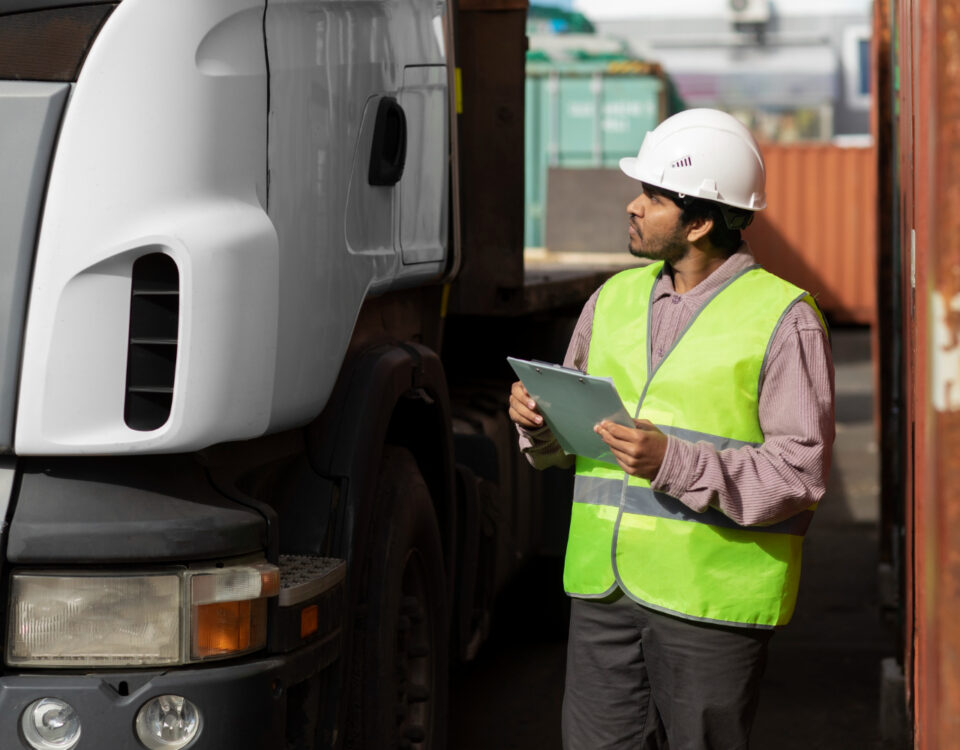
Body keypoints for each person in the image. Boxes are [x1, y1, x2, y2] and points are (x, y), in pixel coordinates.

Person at [508, 108, 835, 750]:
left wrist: (671, 462)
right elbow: (568, 449)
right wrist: (540, 425)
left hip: (709, 606)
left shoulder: (784, 318)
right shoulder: (611, 300)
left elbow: (800, 474)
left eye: (653, 197)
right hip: (603, 596)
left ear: (701, 221)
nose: (632, 206)